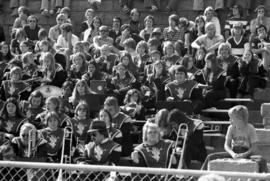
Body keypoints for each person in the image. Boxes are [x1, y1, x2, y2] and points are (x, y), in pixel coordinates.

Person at [201, 105, 268, 173]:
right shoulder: (231, 128)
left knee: (262, 160)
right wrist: (233, 154)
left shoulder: (250, 128)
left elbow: (254, 147)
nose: (229, 120)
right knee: (210, 157)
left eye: (231, 118)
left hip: (246, 153)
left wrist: (244, 154)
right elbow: (226, 145)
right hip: (233, 152)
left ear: (239, 118)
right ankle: (196, 177)